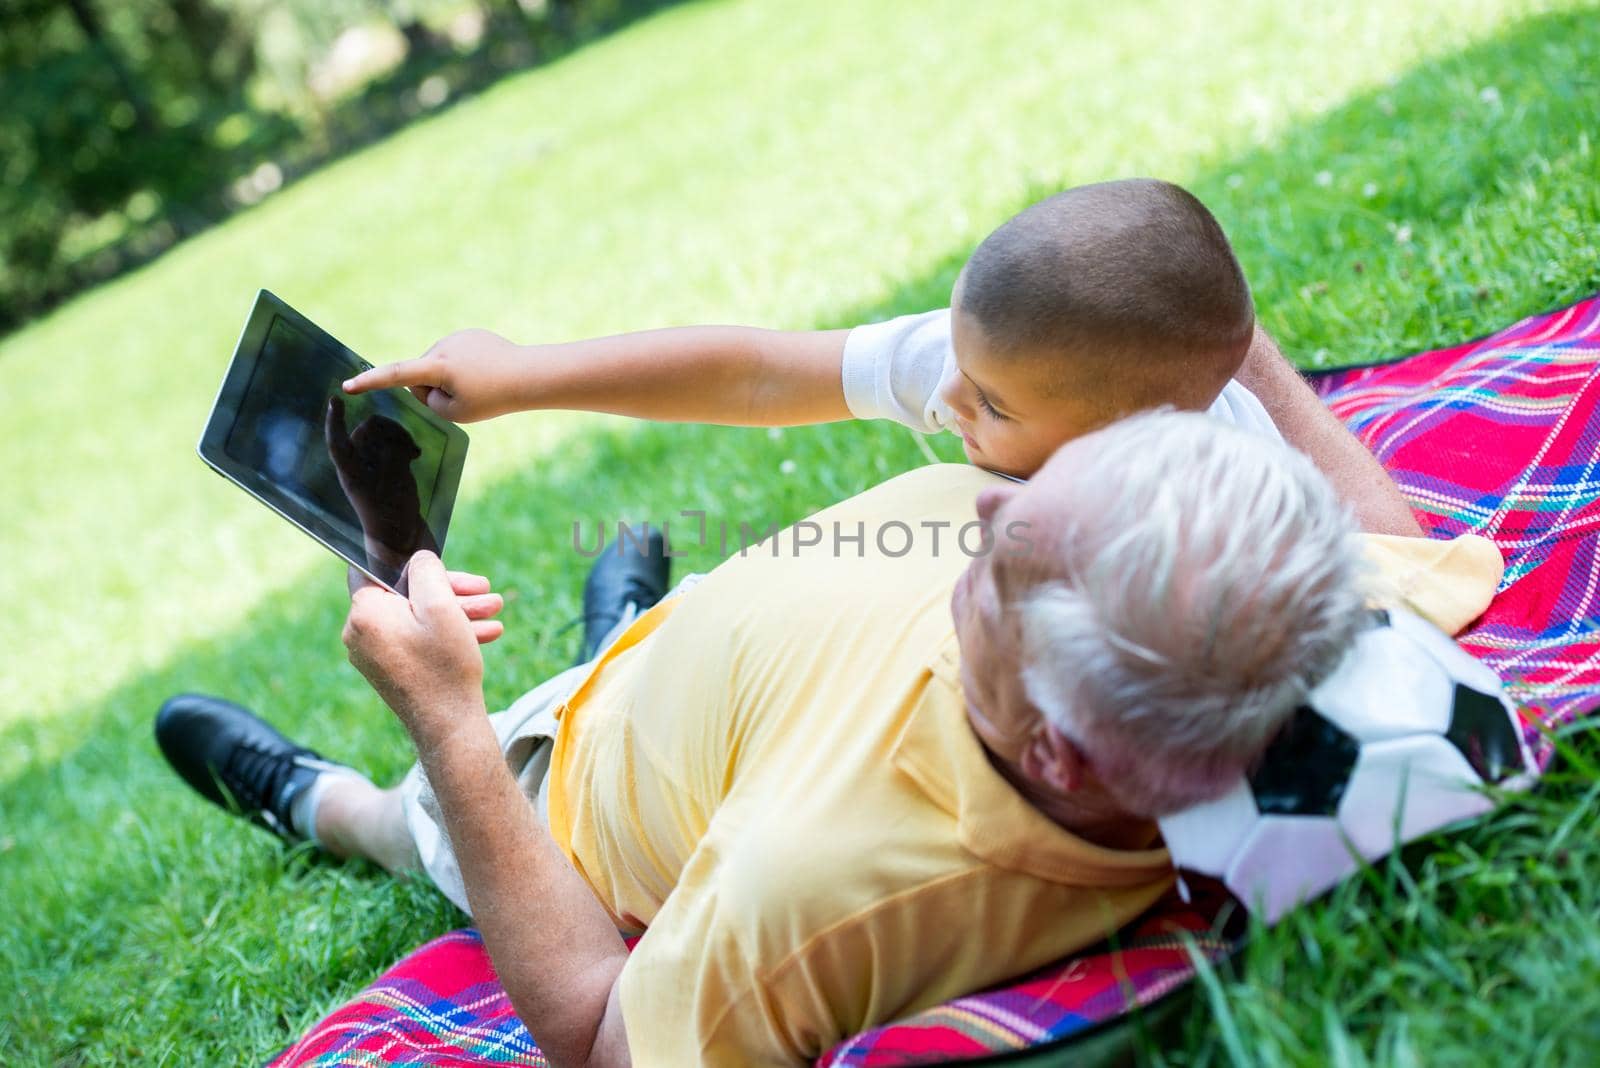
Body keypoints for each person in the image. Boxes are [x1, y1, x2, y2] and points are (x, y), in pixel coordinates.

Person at [158, 412, 1489, 1067]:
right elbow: (1413, 559)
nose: (979, 514)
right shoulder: (1278, 599)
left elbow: (597, 1033)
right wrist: (1229, 340)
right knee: (633, 630)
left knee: (415, 817)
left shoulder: (815, 889)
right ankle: (614, 621)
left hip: (566, 780)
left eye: (1001, 556)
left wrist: (442, 716)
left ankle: (310, 796)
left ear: (1060, 757)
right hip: (716, 670)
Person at [341, 177, 1423, 537]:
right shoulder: (1001, 366)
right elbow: (761, 372)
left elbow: (1398, 569)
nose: (944, 395)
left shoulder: (1226, 519)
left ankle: (341, 808)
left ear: (1127, 439)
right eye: (953, 355)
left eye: (986, 402)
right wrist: (523, 375)